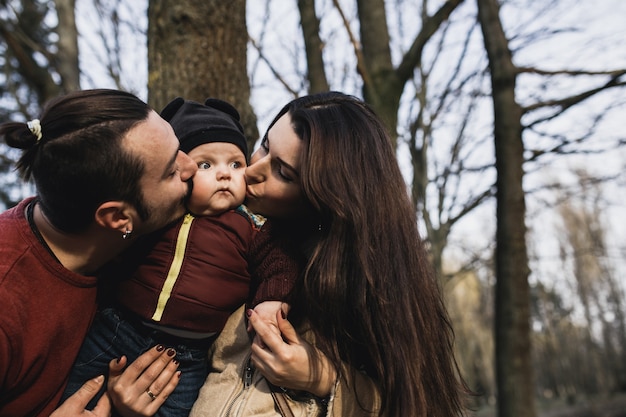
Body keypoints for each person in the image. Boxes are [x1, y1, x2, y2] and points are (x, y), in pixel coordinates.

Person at [191, 92, 470, 417]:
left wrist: (324, 377)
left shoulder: (365, 289)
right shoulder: (215, 232)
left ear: (326, 196)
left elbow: (414, 404)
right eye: (265, 145)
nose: (253, 170)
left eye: (284, 173)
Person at [62, 97, 302, 417]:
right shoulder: (163, 213)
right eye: (206, 165)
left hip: (187, 355)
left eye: (235, 164)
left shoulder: (250, 227)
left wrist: (272, 300)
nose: (224, 175)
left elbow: (279, 264)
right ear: (182, 170)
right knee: (78, 392)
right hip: (120, 327)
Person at [0, 89, 198, 417]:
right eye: (171, 171)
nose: (191, 167)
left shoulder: (124, 244)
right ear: (118, 218)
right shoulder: (8, 301)